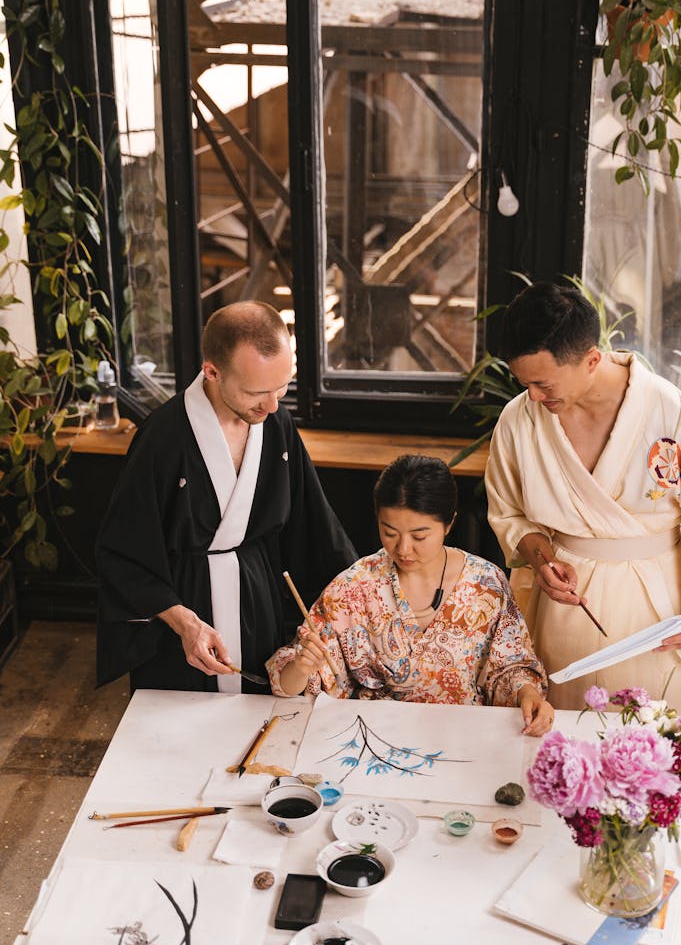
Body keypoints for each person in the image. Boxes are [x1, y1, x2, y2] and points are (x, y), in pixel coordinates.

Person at [485, 281, 681, 715]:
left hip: (654, 619)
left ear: (592, 359)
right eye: (524, 383)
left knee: (649, 751)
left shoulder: (675, 417)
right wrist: (541, 557)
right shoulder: (519, 420)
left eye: (543, 384)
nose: (532, 396)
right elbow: (510, 514)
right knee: (560, 751)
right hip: (563, 613)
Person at [96, 301, 357, 694]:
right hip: (184, 610)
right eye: (256, 392)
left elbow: (314, 525)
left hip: (258, 600)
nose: (272, 406)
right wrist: (185, 623)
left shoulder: (276, 424)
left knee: (259, 727)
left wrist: (361, 592)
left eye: (281, 388)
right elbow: (121, 553)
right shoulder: (162, 439)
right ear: (212, 372)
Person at [266, 454, 553, 735]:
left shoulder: (486, 583)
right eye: (389, 532)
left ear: (449, 524)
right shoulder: (353, 587)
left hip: (463, 738)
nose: (403, 549)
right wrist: (301, 668)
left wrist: (528, 695)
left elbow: (511, 667)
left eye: (419, 536)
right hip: (373, 739)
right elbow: (290, 684)